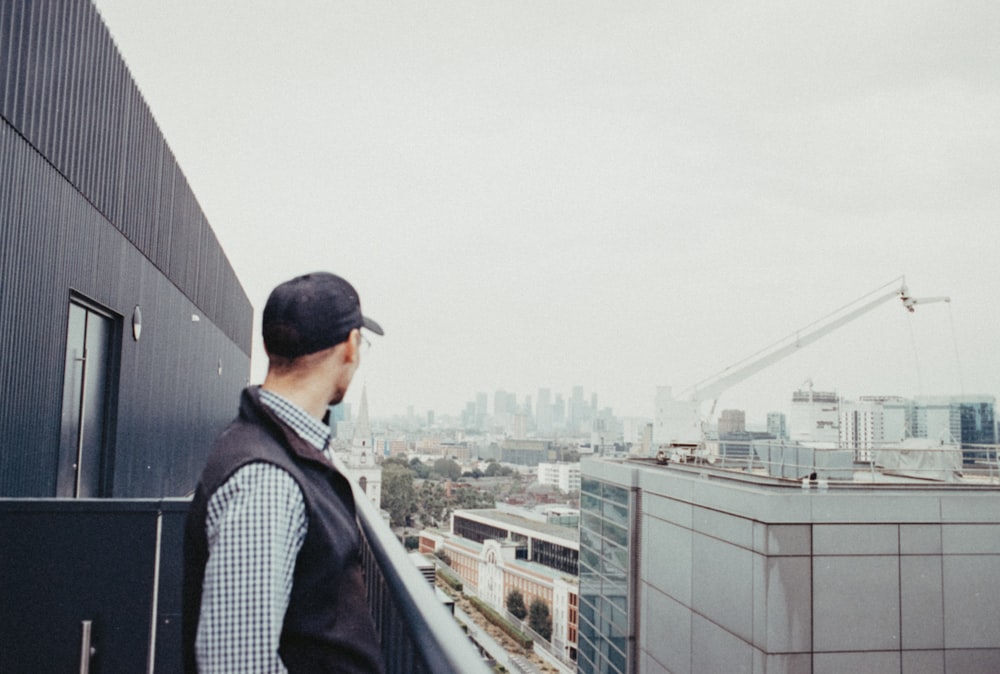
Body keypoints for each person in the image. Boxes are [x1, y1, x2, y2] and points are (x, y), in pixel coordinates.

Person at [183, 271, 386, 673]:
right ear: (351, 347)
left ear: (267, 347)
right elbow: (236, 665)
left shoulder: (264, 444)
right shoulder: (267, 479)